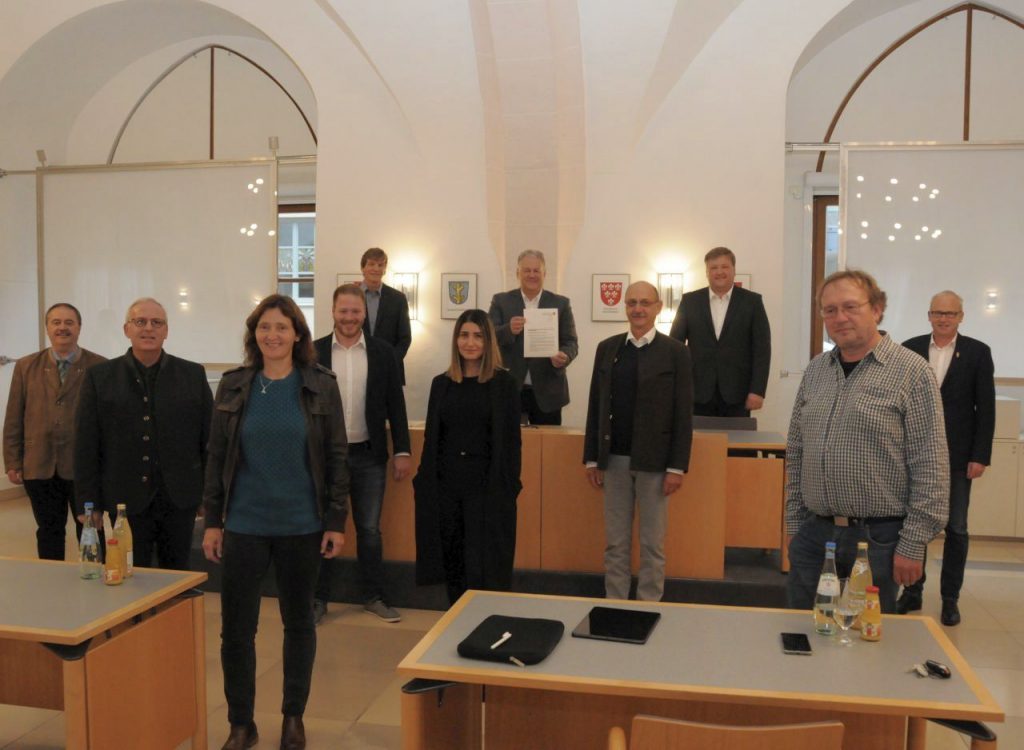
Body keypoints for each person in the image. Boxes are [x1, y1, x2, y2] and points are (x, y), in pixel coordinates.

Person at [201, 294, 349, 750]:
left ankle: (292, 717)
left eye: (282, 327)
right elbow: (217, 457)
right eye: (265, 327)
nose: (273, 335)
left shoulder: (320, 385)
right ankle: (241, 723)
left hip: (302, 525)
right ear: (254, 335)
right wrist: (212, 520)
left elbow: (337, 455)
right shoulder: (233, 386)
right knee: (236, 630)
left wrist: (335, 520)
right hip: (243, 523)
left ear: (297, 335)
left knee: (299, 623)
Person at [785, 270, 949, 614]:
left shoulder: (912, 371)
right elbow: (797, 453)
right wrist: (795, 527)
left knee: (868, 645)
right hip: (816, 536)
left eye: (850, 306)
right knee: (803, 635)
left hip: (879, 541)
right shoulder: (816, 371)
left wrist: (914, 543)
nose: (839, 318)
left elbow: (930, 464)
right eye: (830, 310)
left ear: (877, 309)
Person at [75, 297, 211, 570]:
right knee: (130, 573)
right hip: (124, 498)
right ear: (127, 329)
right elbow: (87, 444)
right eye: (140, 322)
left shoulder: (192, 374)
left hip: (179, 497)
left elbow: (207, 440)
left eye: (157, 322)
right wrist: (88, 505)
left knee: (176, 574)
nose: (148, 328)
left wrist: (207, 497)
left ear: (166, 331)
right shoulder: (99, 377)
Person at [583, 281, 693, 601]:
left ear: (658, 307)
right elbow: (596, 404)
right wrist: (592, 457)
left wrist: (677, 467)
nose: (638, 309)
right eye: (632, 302)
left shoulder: (677, 352)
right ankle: (615, 604)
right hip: (613, 460)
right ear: (625, 307)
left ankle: (649, 607)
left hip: (656, 463)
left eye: (645, 302)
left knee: (652, 544)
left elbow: (682, 414)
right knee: (616, 543)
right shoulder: (608, 348)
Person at [312, 284, 411, 625]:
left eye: (356, 311)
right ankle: (318, 599)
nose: (350, 317)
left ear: (364, 313)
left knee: (369, 529)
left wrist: (402, 450)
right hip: (325, 459)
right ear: (333, 312)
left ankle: (373, 597)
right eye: (344, 311)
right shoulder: (313, 353)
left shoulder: (384, 353)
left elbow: (396, 406)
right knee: (323, 527)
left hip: (370, 456)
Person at [898, 291, 995, 626]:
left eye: (950, 314)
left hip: (958, 456)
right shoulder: (909, 348)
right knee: (915, 524)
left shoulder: (978, 353)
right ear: (928, 315)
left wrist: (980, 455)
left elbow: (986, 409)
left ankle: (950, 599)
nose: (943, 319)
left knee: (957, 528)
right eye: (938, 313)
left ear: (961, 317)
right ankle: (912, 591)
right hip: (914, 453)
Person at [413, 309, 521, 605]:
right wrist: (424, 482)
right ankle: (455, 625)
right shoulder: (442, 383)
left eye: (477, 336)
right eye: (464, 335)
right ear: (455, 340)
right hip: (448, 485)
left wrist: (510, 486)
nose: (470, 342)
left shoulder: (504, 385)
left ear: (488, 341)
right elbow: (432, 436)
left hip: (487, 487)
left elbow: (512, 444)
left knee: (484, 564)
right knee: (453, 561)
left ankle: (485, 626)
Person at [3, 303, 105, 560]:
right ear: (47, 328)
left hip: (83, 468)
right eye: (56, 322)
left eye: (69, 322)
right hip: (39, 464)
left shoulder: (99, 366)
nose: (63, 328)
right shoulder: (27, 366)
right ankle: (52, 583)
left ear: (79, 327)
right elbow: (14, 416)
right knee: (48, 529)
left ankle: (95, 582)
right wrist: (13, 460)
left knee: (90, 528)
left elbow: (106, 423)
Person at [668, 246, 770, 417]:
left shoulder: (752, 302)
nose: (719, 272)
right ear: (707, 272)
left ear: (734, 270)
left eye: (724, 267)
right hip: (696, 393)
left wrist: (757, 390)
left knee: (736, 443)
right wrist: (675, 386)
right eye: (713, 268)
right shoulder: (690, 301)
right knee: (698, 443)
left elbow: (762, 350)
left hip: (738, 394)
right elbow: (674, 346)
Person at [488, 249, 579, 425]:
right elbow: (487, 336)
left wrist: (564, 356)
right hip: (509, 387)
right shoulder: (501, 301)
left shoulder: (561, 303)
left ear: (544, 273)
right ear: (517, 273)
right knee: (508, 445)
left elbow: (571, 342)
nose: (531, 275)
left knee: (548, 448)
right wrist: (508, 330)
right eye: (526, 270)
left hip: (549, 390)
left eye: (536, 270)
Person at [359, 247, 412, 383]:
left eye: (380, 265)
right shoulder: (351, 295)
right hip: (356, 366)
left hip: (390, 370)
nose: (376, 269)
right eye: (371, 264)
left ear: (385, 269)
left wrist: (388, 362)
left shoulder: (398, 299)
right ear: (362, 268)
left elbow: (405, 338)